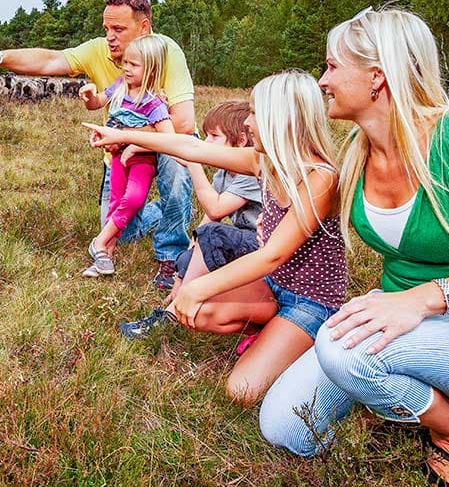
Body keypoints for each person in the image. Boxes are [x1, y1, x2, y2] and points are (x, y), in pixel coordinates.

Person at [258, 8, 449, 487]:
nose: (322, 81)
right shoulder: (357, 150)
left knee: (342, 348)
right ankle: (410, 390)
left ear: (377, 76)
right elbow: (265, 159)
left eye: (332, 66)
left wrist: (418, 300)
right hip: (409, 322)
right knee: (285, 427)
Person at [85, 70, 348, 406]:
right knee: (201, 314)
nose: (249, 123)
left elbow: (272, 255)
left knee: (241, 391)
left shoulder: (320, 178)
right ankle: (273, 330)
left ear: (281, 118)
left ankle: (309, 345)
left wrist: (197, 287)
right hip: (272, 285)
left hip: (311, 302)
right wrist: (118, 134)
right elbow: (190, 146)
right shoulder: (264, 162)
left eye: (255, 113)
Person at [0, 0, 195, 288]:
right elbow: (51, 60)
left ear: (144, 29)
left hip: (164, 140)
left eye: (119, 30)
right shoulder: (100, 52)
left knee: (178, 168)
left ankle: (170, 256)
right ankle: (168, 209)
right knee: (124, 230)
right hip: (118, 150)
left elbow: (182, 124)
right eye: (106, 29)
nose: (110, 38)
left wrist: (127, 138)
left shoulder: (167, 51)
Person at [119, 99, 263, 339]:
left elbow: (216, 210)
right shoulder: (223, 174)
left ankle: (170, 316)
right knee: (198, 242)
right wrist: (182, 270)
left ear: (240, 141)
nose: (206, 144)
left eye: (214, 136)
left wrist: (194, 165)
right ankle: (174, 307)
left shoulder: (252, 174)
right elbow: (205, 225)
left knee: (212, 237)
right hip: (247, 244)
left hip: (263, 248)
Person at [79, 35, 175, 277]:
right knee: (115, 203)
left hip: (141, 160)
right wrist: (90, 95)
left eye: (134, 65)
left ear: (152, 70)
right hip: (117, 157)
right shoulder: (120, 85)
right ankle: (104, 257)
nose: (126, 68)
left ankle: (99, 242)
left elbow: (170, 138)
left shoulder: (154, 104)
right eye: (126, 62)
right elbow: (98, 102)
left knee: (133, 198)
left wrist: (135, 144)